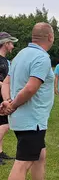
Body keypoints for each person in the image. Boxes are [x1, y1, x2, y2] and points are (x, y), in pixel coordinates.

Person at [0, 22, 54, 180]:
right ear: (50, 37)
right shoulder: (42, 57)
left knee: (40, 155)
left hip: (26, 119)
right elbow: (31, 88)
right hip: (32, 120)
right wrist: (12, 105)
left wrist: (7, 101)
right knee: (22, 163)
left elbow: (6, 82)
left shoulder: (20, 55)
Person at [0, 32, 18, 165]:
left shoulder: (6, 60)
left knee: (2, 125)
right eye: (11, 43)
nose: (12, 46)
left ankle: (0, 152)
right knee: (4, 126)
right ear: (5, 44)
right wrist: (4, 86)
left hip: (3, 96)